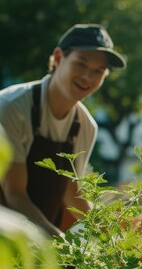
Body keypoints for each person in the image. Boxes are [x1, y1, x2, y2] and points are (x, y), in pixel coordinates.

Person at [0, 24, 126, 236]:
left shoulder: (85, 126)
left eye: (98, 71)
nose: (88, 77)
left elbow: (71, 190)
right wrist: (58, 241)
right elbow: (14, 193)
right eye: (81, 64)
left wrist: (107, 236)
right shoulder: (11, 107)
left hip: (38, 244)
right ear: (58, 58)